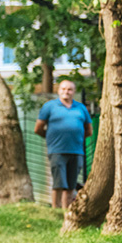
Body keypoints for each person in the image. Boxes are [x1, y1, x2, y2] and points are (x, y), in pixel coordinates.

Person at [35, 79, 93, 209]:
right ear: (58, 90)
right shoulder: (49, 106)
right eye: (63, 89)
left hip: (76, 151)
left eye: (69, 89)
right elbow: (38, 128)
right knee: (59, 184)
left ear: (74, 92)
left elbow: (88, 130)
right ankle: (55, 210)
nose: (66, 92)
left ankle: (66, 212)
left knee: (71, 185)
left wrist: (75, 138)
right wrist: (51, 138)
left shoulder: (81, 108)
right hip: (57, 151)